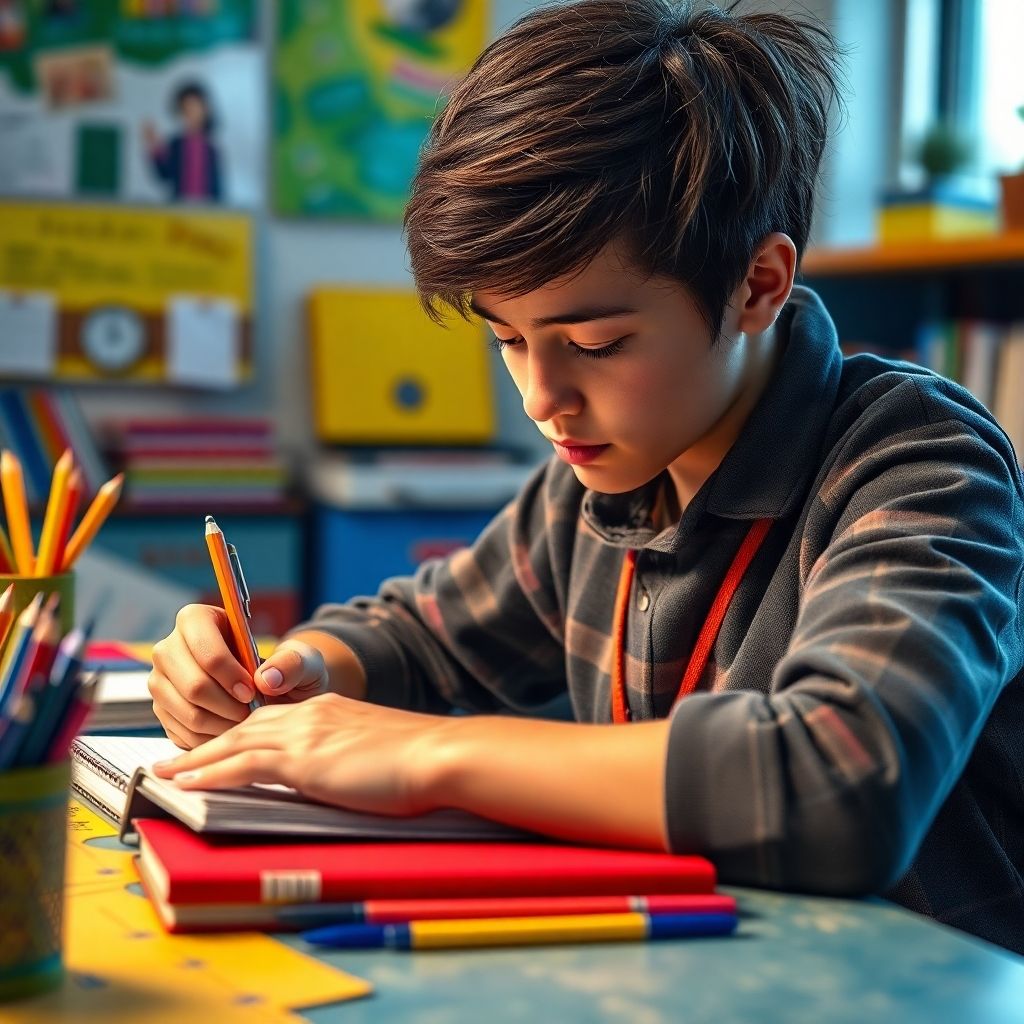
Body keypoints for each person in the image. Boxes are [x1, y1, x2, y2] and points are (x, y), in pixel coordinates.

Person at [148, 0, 1024, 955]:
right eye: (509, 340)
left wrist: (426, 753)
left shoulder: (919, 461)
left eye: (596, 344)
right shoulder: (602, 479)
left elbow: (839, 782)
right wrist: (291, 673)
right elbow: (422, 637)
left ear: (759, 285)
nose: (540, 398)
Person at [143, 80, 222, 202]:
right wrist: (154, 147)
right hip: (180, 209)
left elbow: (218, 186)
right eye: (186, 108)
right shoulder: (176, 144)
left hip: (208, 212)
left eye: (195, 107)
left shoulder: (211, 148)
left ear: (205, 110)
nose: (191, 113)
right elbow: (164, 175)